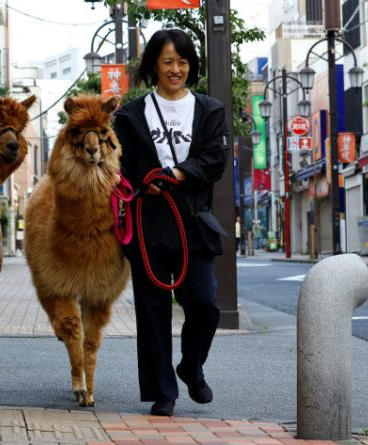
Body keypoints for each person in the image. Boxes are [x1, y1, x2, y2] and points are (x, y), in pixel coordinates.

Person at [113, 29, 229, 417]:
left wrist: (178, 173)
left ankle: (191, 366)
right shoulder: (130, 115)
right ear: (154, 66)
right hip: (148, 222)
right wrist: (138, 185)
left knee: (204, 304)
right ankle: (163, 391)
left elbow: (215, 160)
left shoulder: (209, 110)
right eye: (167, 62)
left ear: (191, 65)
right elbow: (120, 168)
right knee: (153, 309)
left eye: (182, 62)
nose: (176, 69)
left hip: (193, 220)